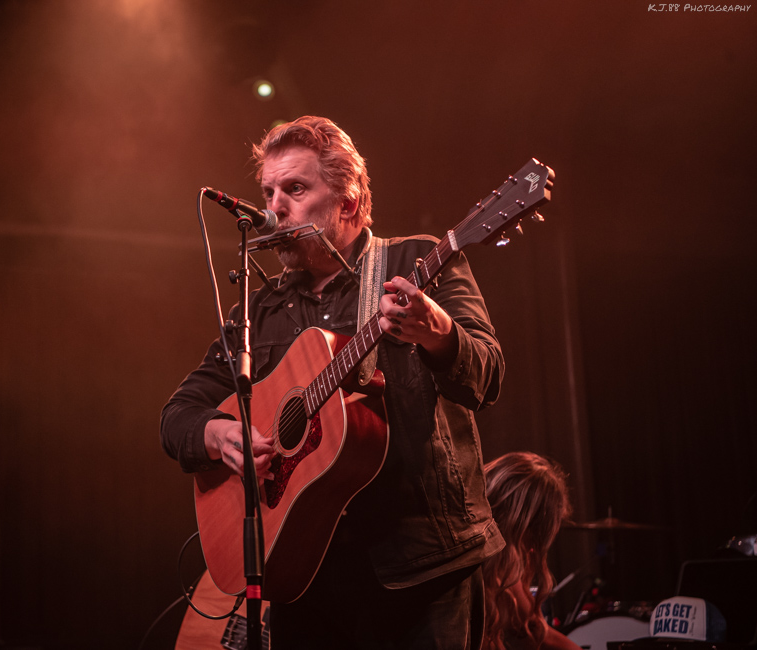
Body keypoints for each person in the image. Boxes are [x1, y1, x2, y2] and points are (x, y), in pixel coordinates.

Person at [161, 116, 505, 649]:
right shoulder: (261, 309)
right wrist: (218, 435)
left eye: (295, 189)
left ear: (348, 201)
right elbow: (179, 413)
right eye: (269, 191)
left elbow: (487, 375)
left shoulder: (412, 261)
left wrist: (437, 331)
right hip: (305, 574)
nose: (275, 207)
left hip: (423, 566)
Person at [482, 452, 580, 650]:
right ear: (521, 522)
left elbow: (535, 628)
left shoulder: (502, 559)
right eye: (537, 533)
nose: (533, 548)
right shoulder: (474, 562)